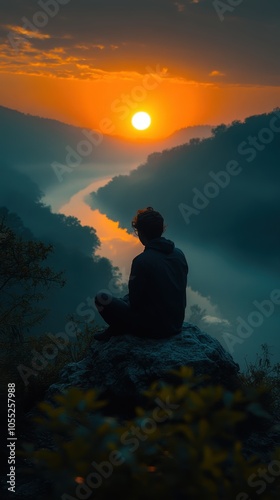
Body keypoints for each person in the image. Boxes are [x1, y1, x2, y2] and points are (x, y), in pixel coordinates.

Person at [94, 206, 188, 341]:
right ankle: (115, 328)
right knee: (125, 300)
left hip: (153, 329)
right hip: (176, 324)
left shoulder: (141, 261)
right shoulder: (179, 254)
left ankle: (116, 329)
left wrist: (124, 302)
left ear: (141, 233)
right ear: (161, 229)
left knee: (101, 298)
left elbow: (136, 301)